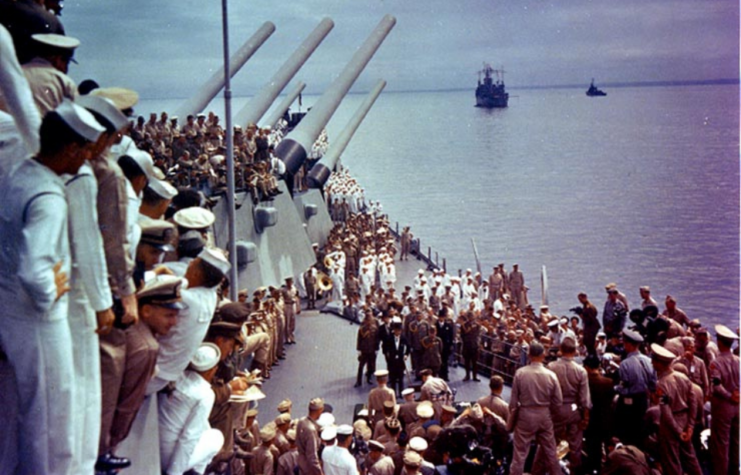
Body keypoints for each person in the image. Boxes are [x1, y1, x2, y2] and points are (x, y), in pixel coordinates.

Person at [0, 100, 103, 475]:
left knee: (26, 414)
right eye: (87, 149)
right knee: (52, 422)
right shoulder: (49, 197)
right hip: (41, 322)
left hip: (11, 314)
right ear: (72, 148)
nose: (88, 158)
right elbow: (34, 271)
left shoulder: (20, 174)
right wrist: (52, 287)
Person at [158, 343, 225, 475]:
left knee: (205, 427)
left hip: (154, 444)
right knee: (216, 436)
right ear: (212, 370)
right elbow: (189, 436)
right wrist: (173, 473)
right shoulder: (205, 394)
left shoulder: (176, 377)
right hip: (168, 458)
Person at [534, 337, 591, 474]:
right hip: (573, 410)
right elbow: (584, 399)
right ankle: (574, 471)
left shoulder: (551, 367)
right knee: (575, 447)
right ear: (575, 351)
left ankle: (537, 471)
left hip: (555, 410)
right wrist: (585, 418)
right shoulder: (581, 371)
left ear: (560, 349)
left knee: (546, 444)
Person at [508, 342, 563, 475]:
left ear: (529, 355)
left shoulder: (520, 373)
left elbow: (513, 403)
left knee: (519, 455)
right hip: (544, 414)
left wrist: (512, 420)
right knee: (551, 453)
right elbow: (558, 401)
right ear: (543, 355)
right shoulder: (551, 375)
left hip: (525, 414)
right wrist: (550, 414)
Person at [651, 343, 702, 475]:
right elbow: (693, 403)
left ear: (660, 363)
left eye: (654, 361)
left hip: (670, 426)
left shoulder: (661, 384)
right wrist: (690, 426)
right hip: (685, 420)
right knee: (691, 459)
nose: (652, 363)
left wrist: (678, 431)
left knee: (671, 461)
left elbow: (666, 412)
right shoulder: (683, 377)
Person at [614, 329, 656, 449]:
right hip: (644, 401)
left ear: (629, 344)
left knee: (627, 433)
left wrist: (615, 388)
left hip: (629, 403)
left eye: (625, 343)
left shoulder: (625, 364)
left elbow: (623, 387)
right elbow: (653, 384)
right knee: (641, 430)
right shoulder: (649, 361)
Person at [708, 324, 739, 475]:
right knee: (736, 442)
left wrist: (728, 396)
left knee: (721, 445)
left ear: (719, 342)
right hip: (737, 407)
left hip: (723, 407)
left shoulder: (716, 363)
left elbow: (716, 386)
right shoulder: (739, 361)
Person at [583, 354, 615, 474]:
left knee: (593, 449)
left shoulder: (586, 382)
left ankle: (594, 469)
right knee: (607, 447)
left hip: (592, 420)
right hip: (606, 420)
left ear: (586, 367)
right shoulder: (608, 382)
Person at [296, 398, 324, 475]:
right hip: (309, 470)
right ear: (320, 410)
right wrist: (319, 472)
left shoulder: (301, 421)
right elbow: (312, 457)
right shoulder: (311, 430)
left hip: (301, 462)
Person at [384, 319, 410, 396]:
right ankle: (394, 393)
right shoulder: (389, 338)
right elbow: (385, 348)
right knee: (393, 379)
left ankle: (401, 393)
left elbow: (408, 346)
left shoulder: (403, 338)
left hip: (400, 361)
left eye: (399, 331)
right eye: (396, 330)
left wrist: (406, 355)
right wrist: (387, 355)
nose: (398, 332)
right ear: (394, 330)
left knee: (401, 378)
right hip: (392, 361)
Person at [356, 313, 380, 387]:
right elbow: (359, 339)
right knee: (361, 366)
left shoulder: (375, 329)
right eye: (367, 319)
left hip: (372, 350)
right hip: (364, 350)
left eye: (370, 319)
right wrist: (358, 350)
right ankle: (358, 381)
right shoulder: (362, 329)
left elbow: (377, 339)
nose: (369, 321)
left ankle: (369, 379)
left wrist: (377, 348)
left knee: (370, 366)